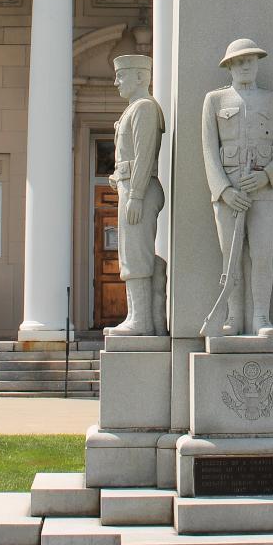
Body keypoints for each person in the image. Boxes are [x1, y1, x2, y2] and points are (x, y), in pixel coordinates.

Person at [201, 38, 273, 337]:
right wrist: (224, 191)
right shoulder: (214, 101)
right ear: (228, 66)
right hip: (229, 195)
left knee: (263, 256)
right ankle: (233, 316)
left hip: (265, 192)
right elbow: (209, 150)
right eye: (239, 61)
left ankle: (261, 317)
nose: (245, 65)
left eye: (251, 60)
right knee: (231, 258)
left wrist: (267, 176)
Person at [106, 54, 166, 335]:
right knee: (130, 254)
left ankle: (141, 321)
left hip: (139, 189)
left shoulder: (144, 108)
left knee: (137, 255)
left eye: (123, 75)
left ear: (141, 77)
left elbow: (143, 157)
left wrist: (137, 195)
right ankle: (136, 316)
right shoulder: (133, 109)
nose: (117, 81)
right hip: (130, 186)